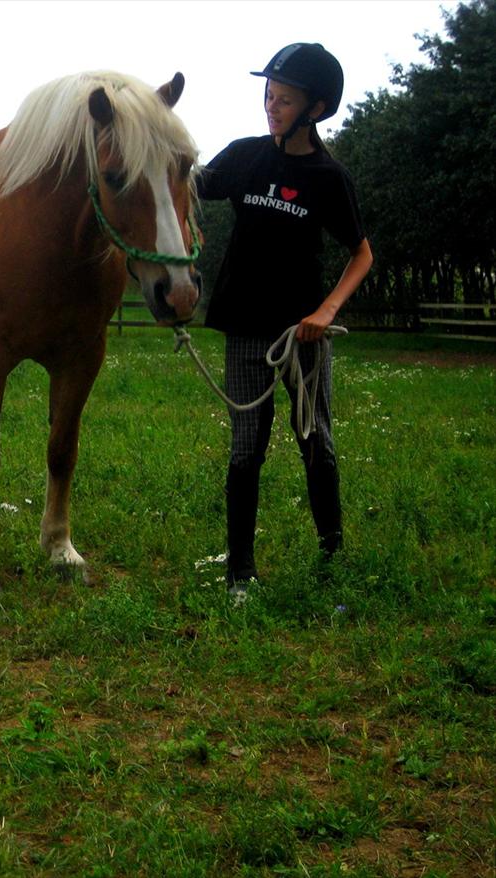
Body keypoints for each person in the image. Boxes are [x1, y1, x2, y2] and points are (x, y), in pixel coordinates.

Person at [196, 43, 374, 596]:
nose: (271, 105)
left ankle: (332, 560)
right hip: (245, 329)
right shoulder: (244, 156)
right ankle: (240, 572)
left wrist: (325, 311)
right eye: (269, 94)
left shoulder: (328, 177)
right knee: (246, 444)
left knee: (315, 439)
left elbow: (362, 253)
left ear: (316, 109)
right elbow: (191, 186)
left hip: (302, 335)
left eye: (284, 98)